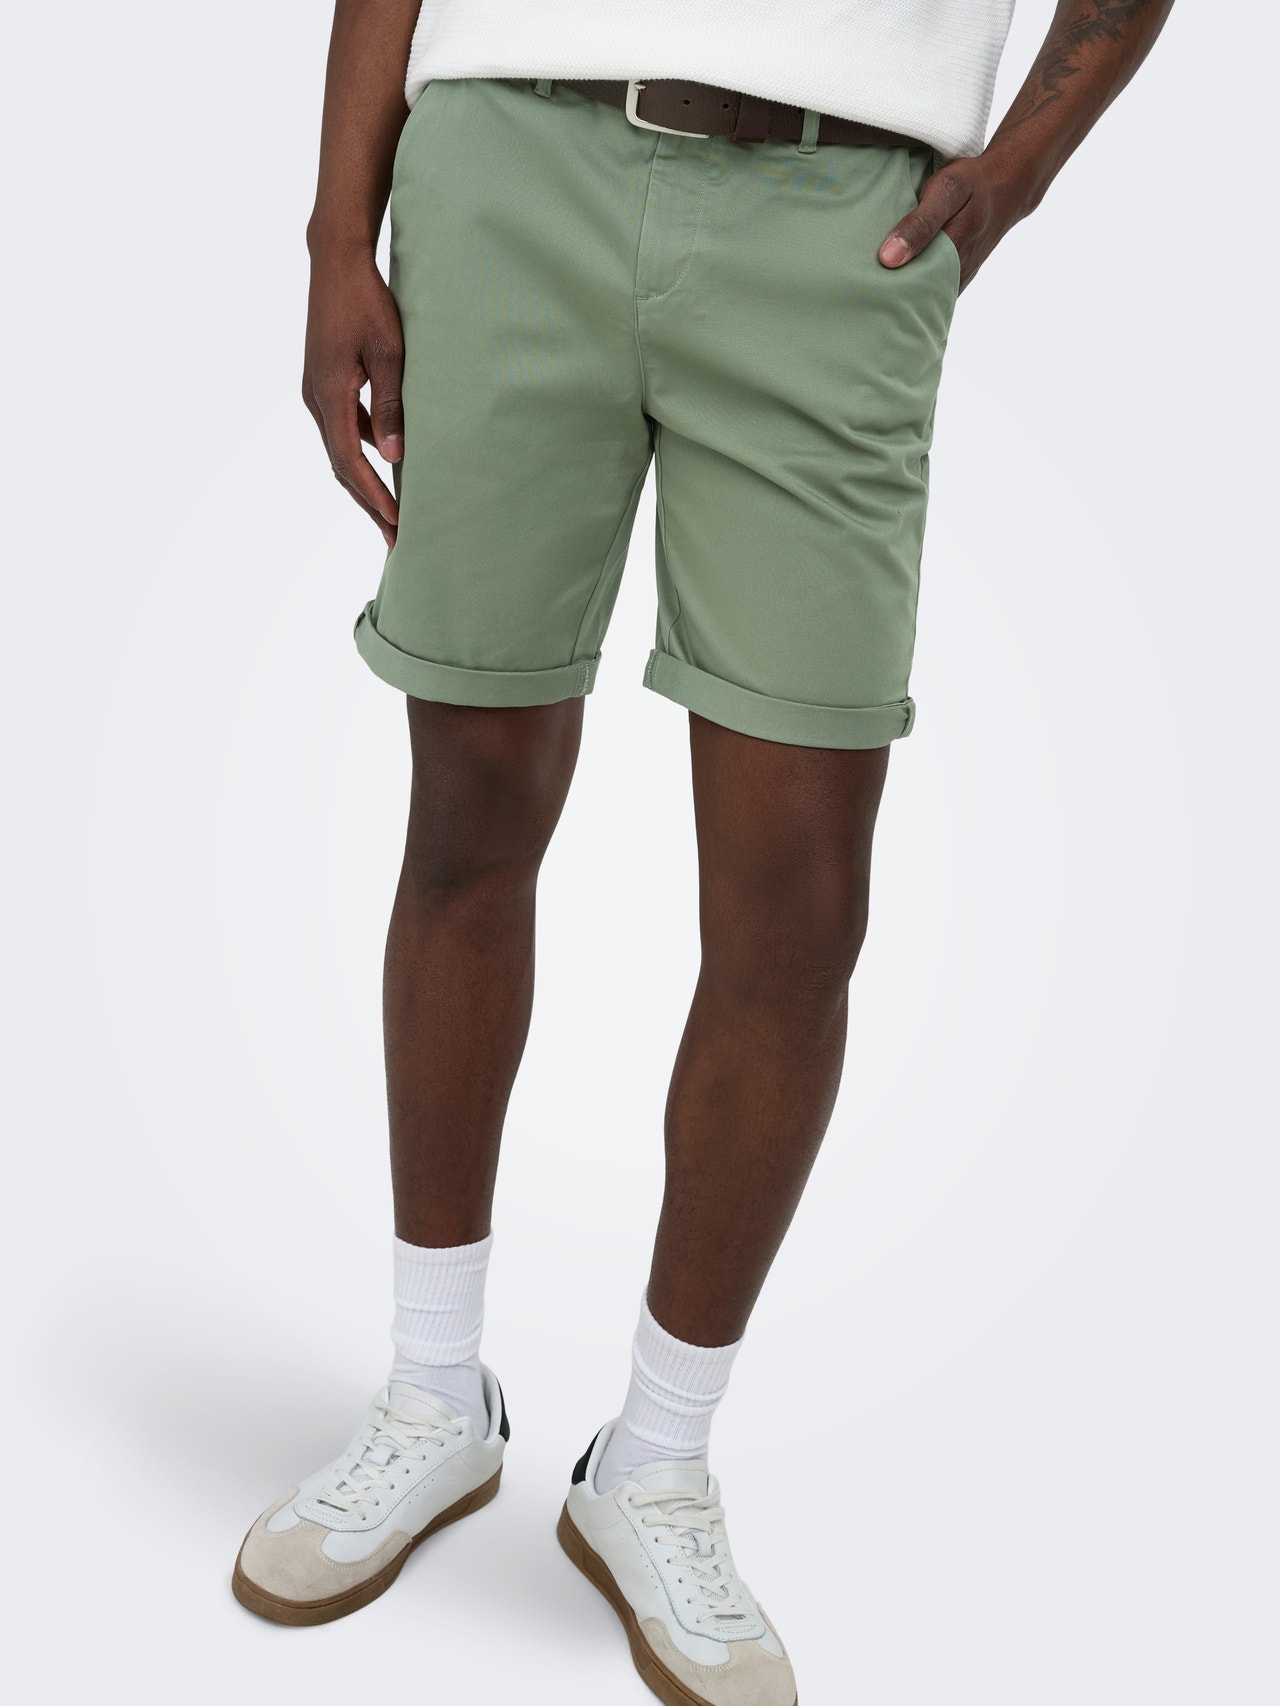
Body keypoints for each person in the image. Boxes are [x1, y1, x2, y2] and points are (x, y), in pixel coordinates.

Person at [232, 2, 1175, 1696]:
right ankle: (434, 1395)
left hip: (844, 224)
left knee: (800, 899)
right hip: (510, 164)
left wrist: (1018, 172)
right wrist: (334, 232)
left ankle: (656, 1459)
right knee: (471, 804)